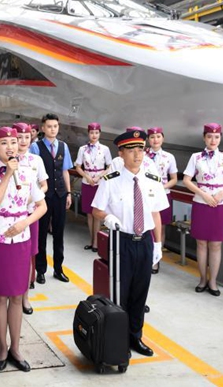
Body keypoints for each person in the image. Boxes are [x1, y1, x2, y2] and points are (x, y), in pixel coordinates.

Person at [91, 129, 167, 357]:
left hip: (144, 241)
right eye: (131, 150)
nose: (137, 154)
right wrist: (107, 217)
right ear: (120, 153)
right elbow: (96, 210)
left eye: (140, 149)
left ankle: (136, 337)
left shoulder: (152, 180)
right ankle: (119, 340)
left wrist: (157, 244)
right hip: (120, 243)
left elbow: (156, 215)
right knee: (120, 295)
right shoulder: (110, 181)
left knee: (140, 293)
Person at [0, 127, 47, 372]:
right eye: (4, 143)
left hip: (21, 239)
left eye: (13, 142)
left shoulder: (29, 172)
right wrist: (7, 175)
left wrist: (24, 223)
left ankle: (16, 349)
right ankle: (1, 347)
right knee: (0, 296)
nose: (10, 147)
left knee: (18, 296)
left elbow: (41, 206)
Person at [182, 123, 223, 296]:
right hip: (201, 203)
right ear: (204, 137)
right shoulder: (196, 157)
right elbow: (187, 180)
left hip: (220, 204)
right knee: (201, 243)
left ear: (220, 138)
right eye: (209, 136)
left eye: (216, 137)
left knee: (216, 244)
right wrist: (203, 194)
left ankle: (213, 281)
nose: (213, 140)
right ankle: (202, 279)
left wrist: (221, 193)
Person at [28, 113, 72, 283]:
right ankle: (40, 270)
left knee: (59, 234)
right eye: (49, 126)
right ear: (43, 128)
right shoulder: (36, 147)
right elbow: (33, 175)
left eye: (55, 126)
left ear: (58, 127)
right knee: (41, 234)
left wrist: (68, 193)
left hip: (60, 195)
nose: (52, 129)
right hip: (43, 197)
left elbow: (65, 171)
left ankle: (58, 269)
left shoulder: (63, 146)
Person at [11, 122, 47, 315]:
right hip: (11, 216)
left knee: (29, 255)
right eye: (18, 138)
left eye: (26, 137)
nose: (23, 141)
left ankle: (25, 297)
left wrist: (33, 197)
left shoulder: (36, 161)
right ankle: (12, 292)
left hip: (31, 215)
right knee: (13, 255)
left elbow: (44, 185)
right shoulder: (8, 162)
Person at [74, 122, 112, 252]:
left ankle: (96, 242)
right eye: (91, 133)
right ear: (88, 133)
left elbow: (109, 167)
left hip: (100, 184)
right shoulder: (82, 149)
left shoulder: (105, 149)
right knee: (89, 214)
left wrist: (98, 177)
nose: (94, 135)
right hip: (87, 182)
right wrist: (87, 177)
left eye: (96, 133)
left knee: (98, 213)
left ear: (99, 133)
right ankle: (92, 239)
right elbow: (78, 167)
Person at [145, 127, 177, 274]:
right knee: (146, 225)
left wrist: (161, 187)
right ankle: (146, 255)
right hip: (145, 194)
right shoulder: (143, 155)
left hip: (163, 194)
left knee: (160, 227)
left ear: (162, 138)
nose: (155, 140)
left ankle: (156, 258)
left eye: (158, 136)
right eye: (152, 137)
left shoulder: (169, 157)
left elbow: (174, 179)